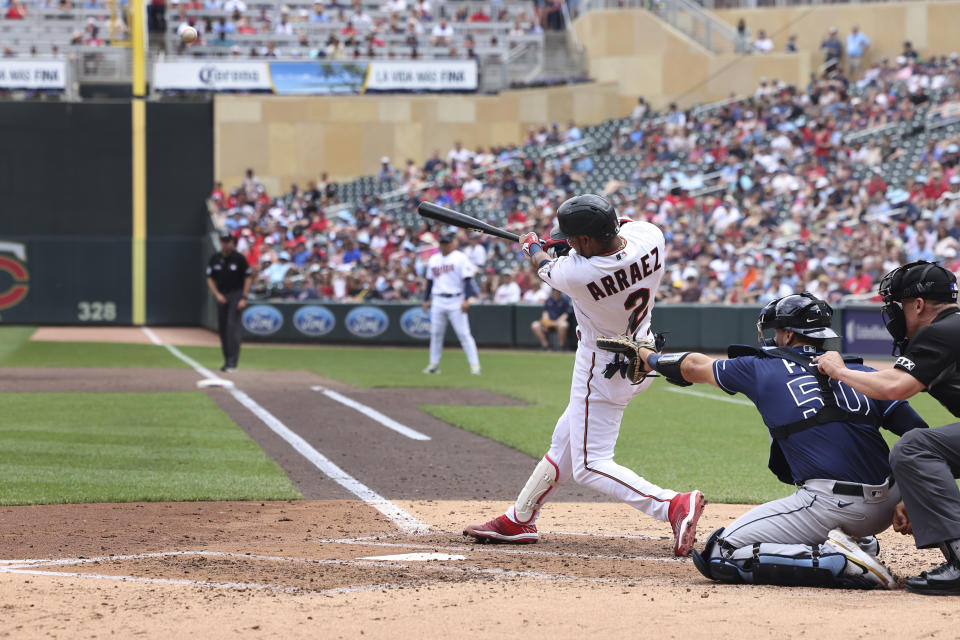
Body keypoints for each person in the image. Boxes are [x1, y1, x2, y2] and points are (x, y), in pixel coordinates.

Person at [630, 293, 927, 588]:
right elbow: (922, 438)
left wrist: (649, 358)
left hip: (830, 505)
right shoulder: (862, 373)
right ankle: (859, 545)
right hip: (890, 505)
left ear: (787, 335)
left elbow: (692, 367)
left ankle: (841, 561)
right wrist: (909, 496)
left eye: (775, 331)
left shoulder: (760, 367)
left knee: (720, 552)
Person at [463, 194, 705, 557]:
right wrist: (565, 241)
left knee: (591, 465)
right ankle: (519, 518)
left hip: (602, 364)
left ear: (587, 241)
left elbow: (544, 264)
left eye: (576, 239)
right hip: (642, 353)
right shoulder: (651, 236)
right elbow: (617, 229)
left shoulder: (575, 274)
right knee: (566, 441)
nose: (571, 243)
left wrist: (533, 245)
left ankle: (671, 505)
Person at [814, 261, 960, 595]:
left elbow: (893, 387)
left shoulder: (940, 332)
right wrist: (920, 489)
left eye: (898, 305)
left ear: (918, 305)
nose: (893, 314)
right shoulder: (953, 328)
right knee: (925, 450)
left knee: (914, 447)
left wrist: (837, 370)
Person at [422, 232, 481, 375]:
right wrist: (425, 299)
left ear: (452, 243)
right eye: (442, 242)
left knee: (464, 334)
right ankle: (434, 364)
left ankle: (475, 366)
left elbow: (467, 280)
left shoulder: (460, 258)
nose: (444, 245)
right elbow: (430, 282)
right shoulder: (434, 259)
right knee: (436, 333)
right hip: (438, 300)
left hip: (456, 299)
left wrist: (466, 299)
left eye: (447, 242)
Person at [206, 233, 252, 373]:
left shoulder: (239, 258)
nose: (226, 244)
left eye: (228, 241)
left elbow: (248, 277)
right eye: (223, 241)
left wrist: (243, 297)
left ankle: (233, 362)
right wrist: (217, 294)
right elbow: (209, 278)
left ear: (232, 242)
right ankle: (227, 361)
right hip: (222, 294)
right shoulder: (215, 258)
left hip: (236, 294)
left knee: (233, 327)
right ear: (220, 242)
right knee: (223, 329)